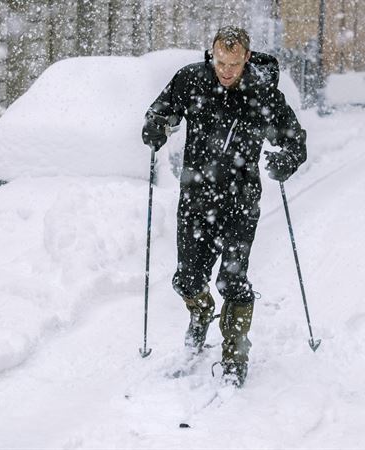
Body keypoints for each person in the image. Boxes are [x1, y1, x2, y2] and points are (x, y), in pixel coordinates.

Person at [141, 26, 307, 386]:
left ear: (246, 58)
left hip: (240, 202)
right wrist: (155, 125)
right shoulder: (192, 80)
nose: (226, 71)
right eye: (220, 62)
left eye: (233, 63)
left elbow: (296, 141)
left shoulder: (263, 92)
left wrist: (286, 160)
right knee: (188, 279)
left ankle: (234, 354)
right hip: (196, 200)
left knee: (232, 279)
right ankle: (201, 314)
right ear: (211, 55)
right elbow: (161, 110)